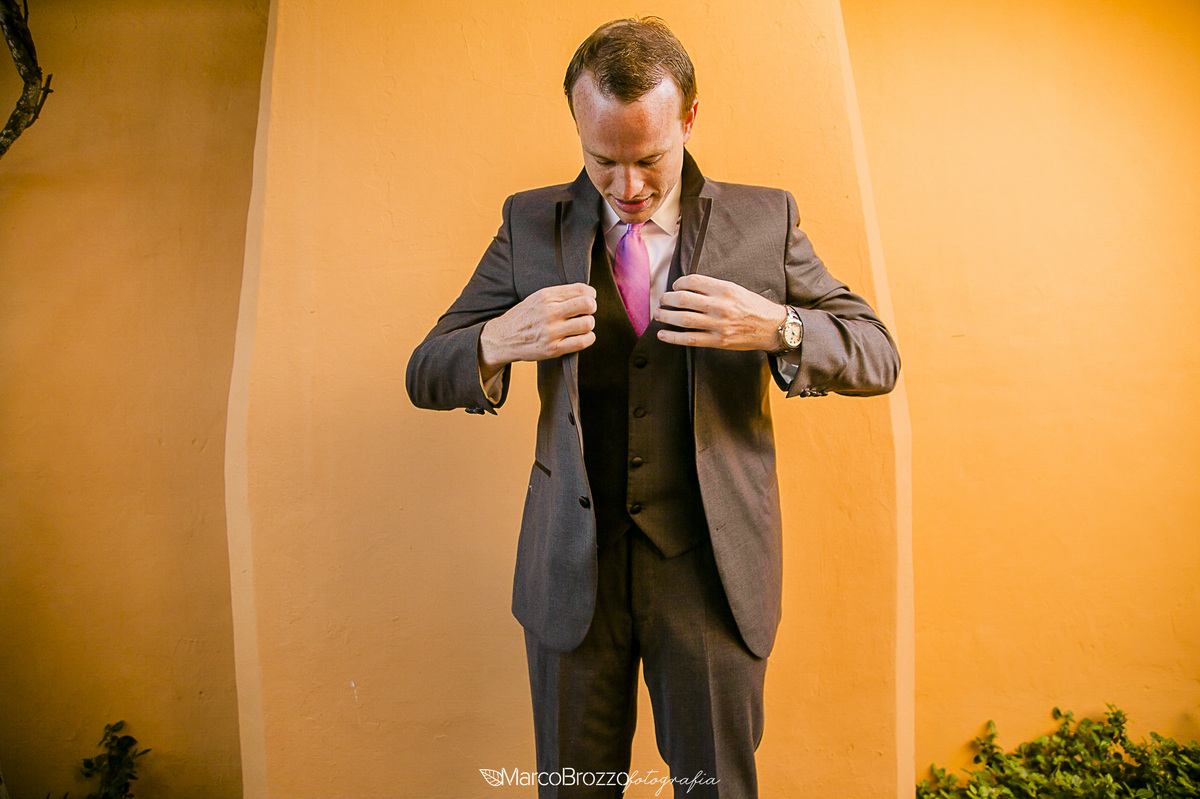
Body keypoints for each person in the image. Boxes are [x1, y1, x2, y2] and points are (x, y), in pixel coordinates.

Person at [407, 17, 900, 798]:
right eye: (602, 161)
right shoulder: (528, 224)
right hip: (572, 572)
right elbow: (426, 369)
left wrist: (777, 325)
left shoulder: (764, 222)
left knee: (716, 789)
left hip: (709, 573)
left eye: (649, 159)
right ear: (577, 126)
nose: (628, 187)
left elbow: (877, 354)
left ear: (690, 119)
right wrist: (499, 338)